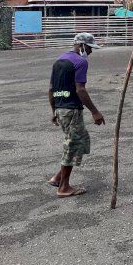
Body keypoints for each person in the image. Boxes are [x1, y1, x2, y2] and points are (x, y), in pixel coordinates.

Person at [48, 32, 105, 197]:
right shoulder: (80, 62)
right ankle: (63, 187)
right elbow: (80, 89)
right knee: (72, 145)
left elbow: (51, 89)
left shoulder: (59, 60)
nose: (91, 52)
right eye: (89, 48)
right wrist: (95, 112)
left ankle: (58, 177)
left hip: (61, 108)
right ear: (81, 46)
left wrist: (54, 111)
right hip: (71, 109)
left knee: (80, 141)